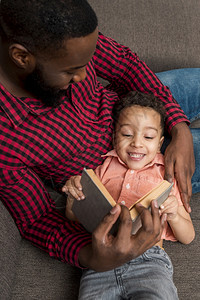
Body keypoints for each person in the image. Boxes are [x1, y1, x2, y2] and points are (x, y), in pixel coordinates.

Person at [0, 0, 198, 273]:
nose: (83, 76)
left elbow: (125, 65)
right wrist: (90, 256)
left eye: (85, 64)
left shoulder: (67, 37)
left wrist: (178, 126)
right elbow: (37, 219)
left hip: (139, 107)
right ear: (22, 57)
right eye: (71, 71)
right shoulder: (5, 136)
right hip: (138, 169)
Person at [64, 91, 195, 299]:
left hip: (149, 261)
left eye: (148, 137)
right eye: (127, 134)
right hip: (101, 262)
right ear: (115, 136)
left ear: (160, 142)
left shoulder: (165, 178)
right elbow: (73, 216)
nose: (136, 143)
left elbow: (188, 237)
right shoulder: (104, 168)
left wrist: (174, 213)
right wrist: (73, 196)